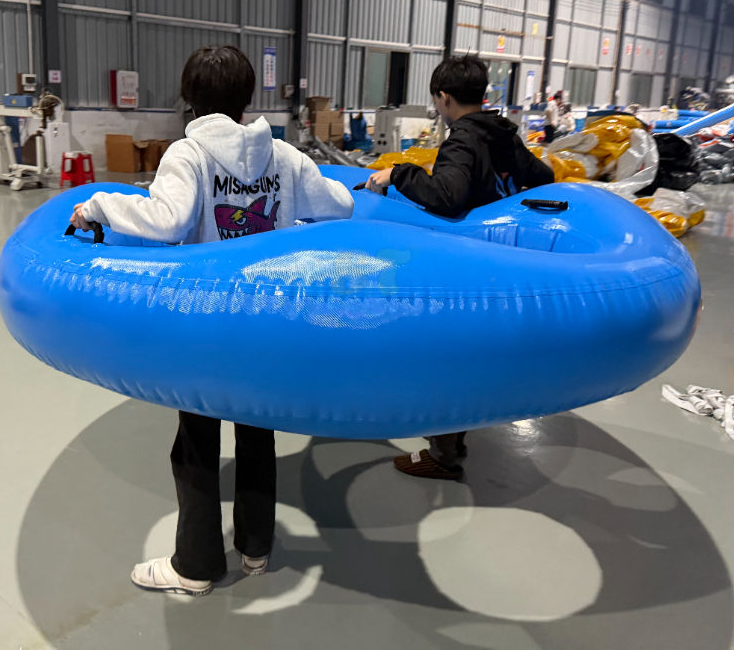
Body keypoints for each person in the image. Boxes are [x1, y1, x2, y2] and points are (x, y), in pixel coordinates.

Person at [69, 45, 354, 595]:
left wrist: (100, 204)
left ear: (190, 98)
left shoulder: (189, 154)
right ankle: (256, 548)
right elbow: (339, 205)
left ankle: (196, 566)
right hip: (267, 322)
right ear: (248, 98)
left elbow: (168, 220)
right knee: (257, 432)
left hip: (207, 328)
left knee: (196, 441)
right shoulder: (284, 156)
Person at [365, 55, 553, 481]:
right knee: (471, 355)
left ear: (444, 97)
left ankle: (444, 455)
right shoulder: (503, 133)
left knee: (443, 356)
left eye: (437, 101)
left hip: (466, 267)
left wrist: (400, 173)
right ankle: (455, 437)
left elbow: (448, 196)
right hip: (501, 263)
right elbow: (543, 176)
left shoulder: (463, 140)